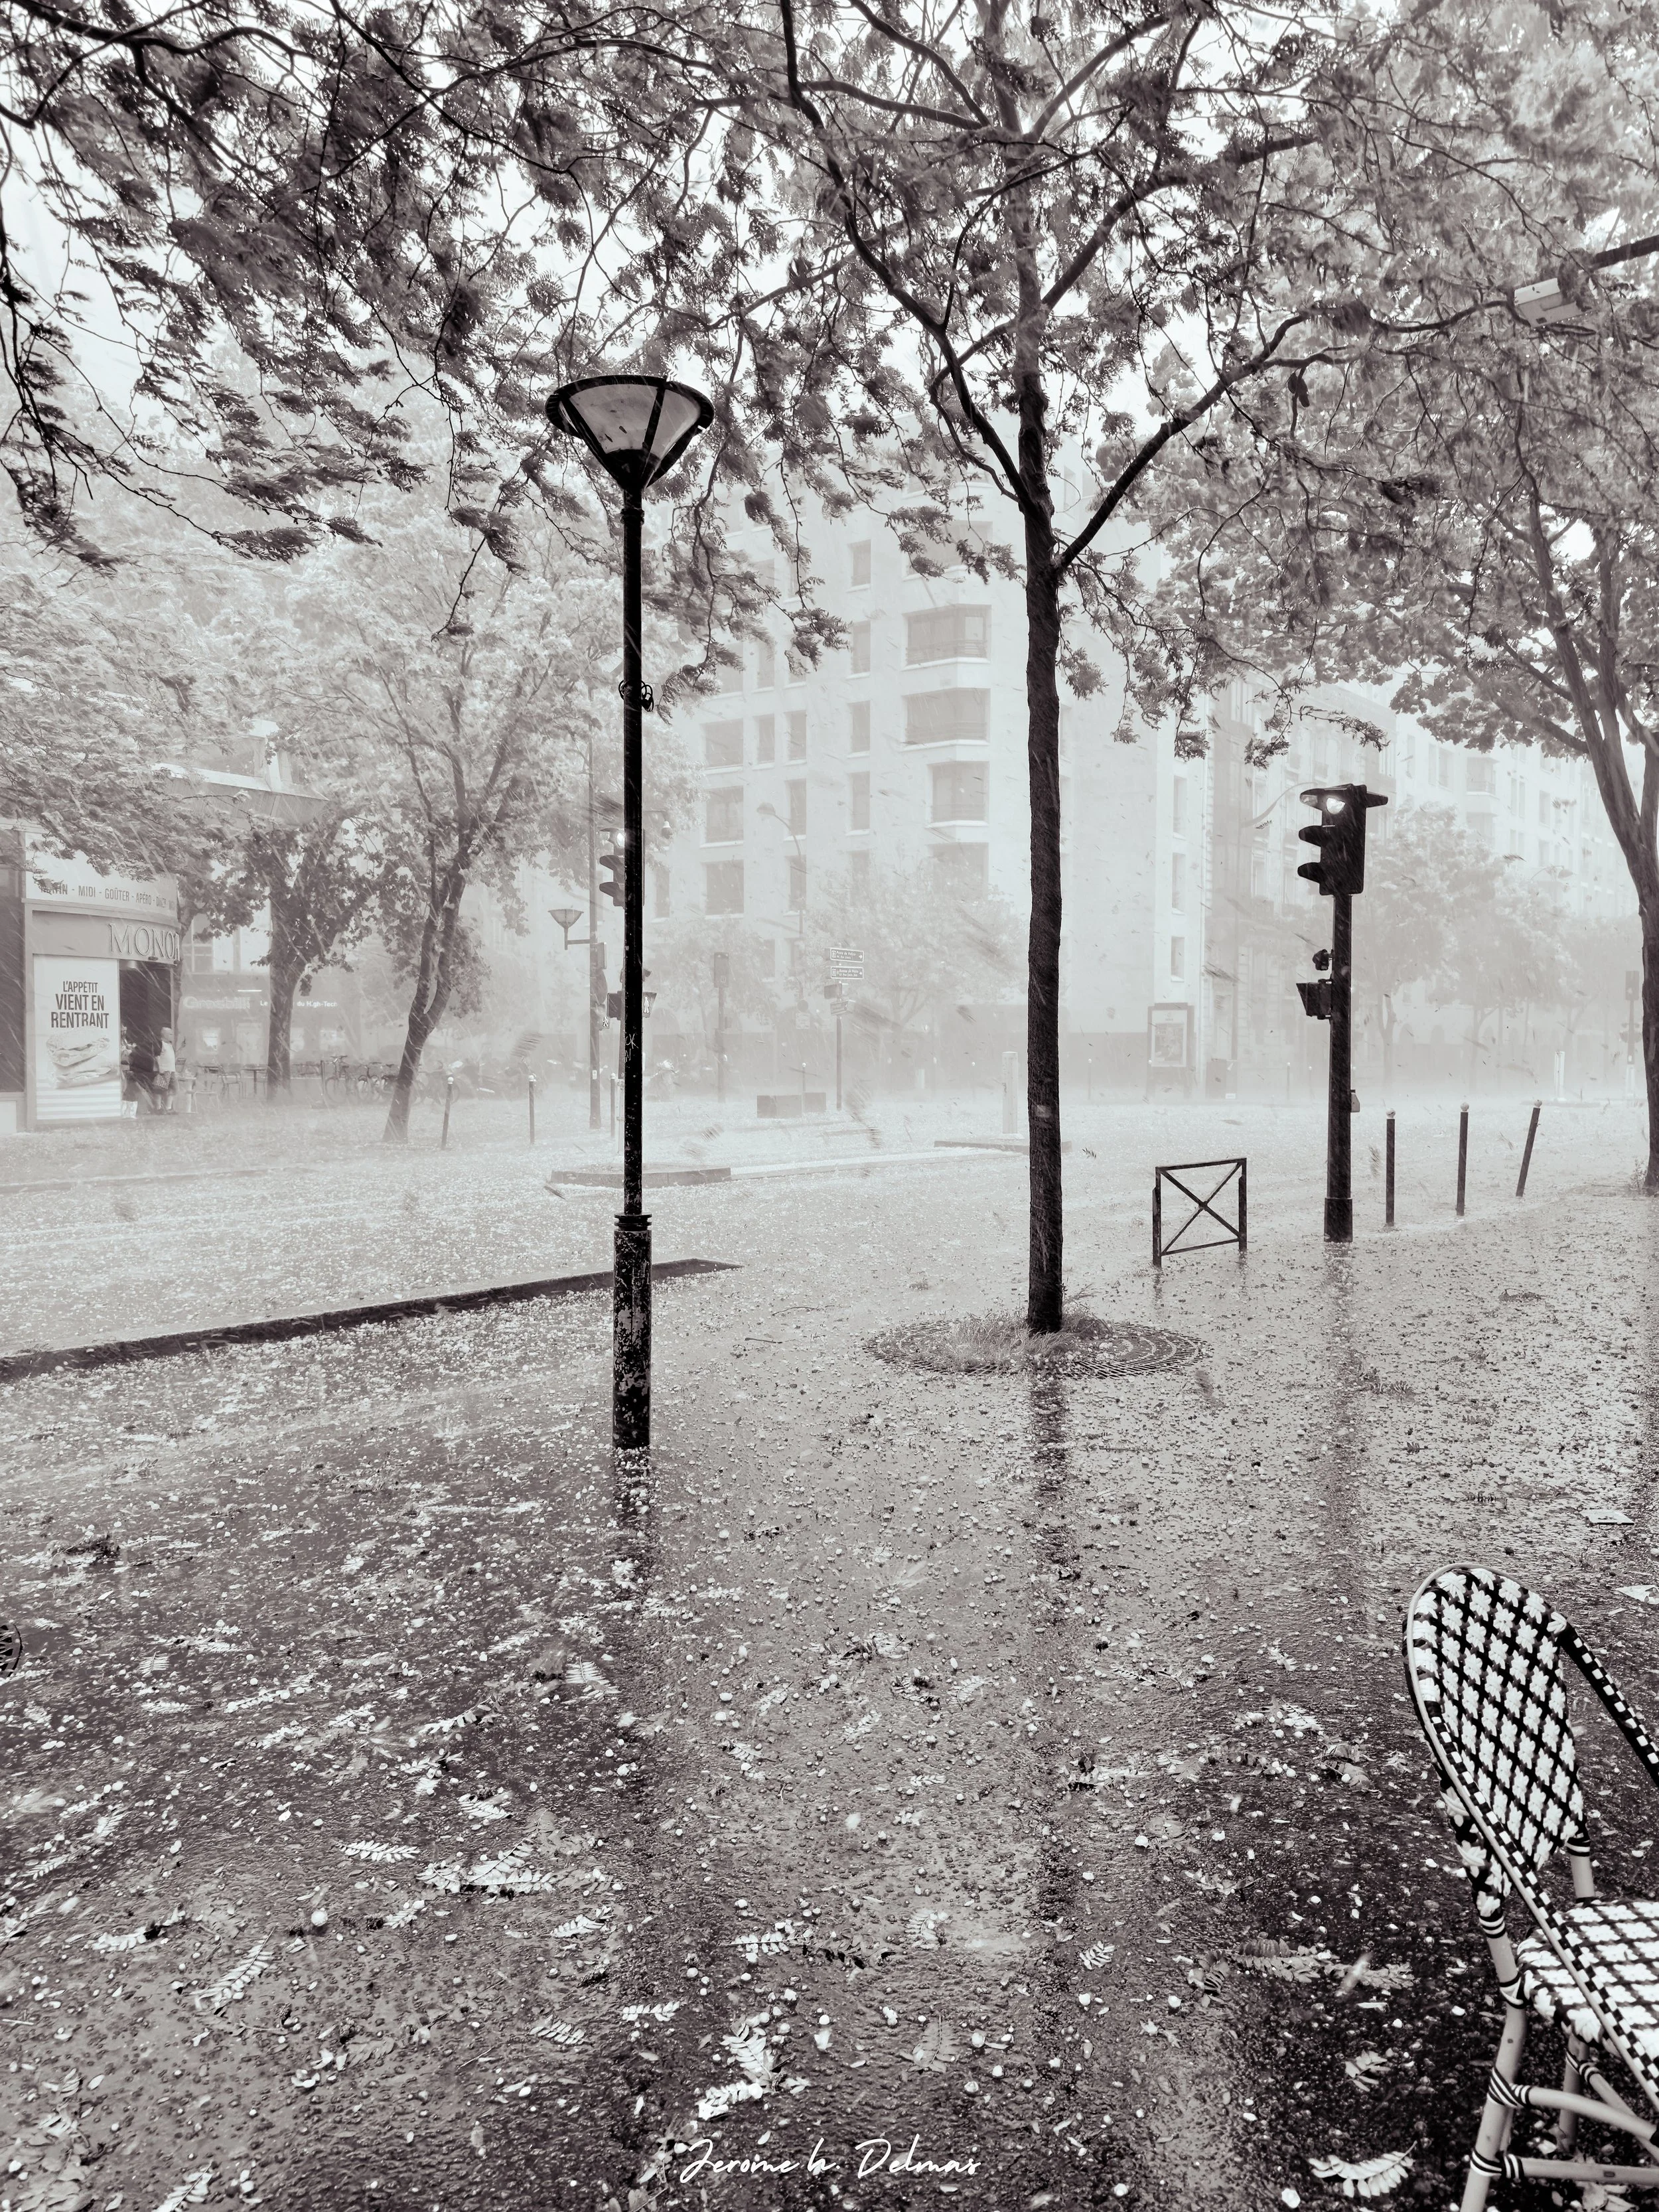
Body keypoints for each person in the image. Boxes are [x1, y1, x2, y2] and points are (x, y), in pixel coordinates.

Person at [155, 1026, 177, 1112]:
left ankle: (168, 1108)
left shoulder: (170, 1045)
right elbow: (157, 1056)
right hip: (164, 1070)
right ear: (165, 1035)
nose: (172, 1036)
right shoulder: (161, 1044)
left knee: (174, 1089)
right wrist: (160, 1068)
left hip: (172, 1070)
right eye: (170, 1034)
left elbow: (172, 1057)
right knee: (160, 1090)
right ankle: (158, 1108)